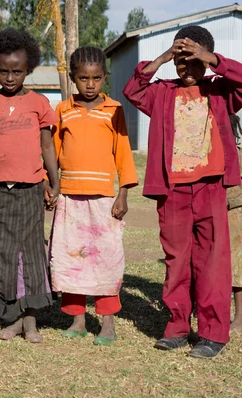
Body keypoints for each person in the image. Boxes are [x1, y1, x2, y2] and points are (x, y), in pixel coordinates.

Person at [124, 25, 242, 358]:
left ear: (205, 61)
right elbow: (133, 89)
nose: (187, 69)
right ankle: (177, 327)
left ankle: (212, 333)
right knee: (177, 261)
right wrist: (163, 57)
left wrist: (213, 59)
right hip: (173, 190)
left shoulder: (220, 90)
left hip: (211, 187)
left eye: (194, 62)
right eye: (181, 62)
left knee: (212, 262)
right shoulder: (163, 92)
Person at [0, 28, 60, 343]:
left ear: (29, 69)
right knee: (4, 253)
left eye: (17, 71)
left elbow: (48, 147)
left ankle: (31, 321)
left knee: (32, 253)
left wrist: (54, 180)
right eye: (3, 71)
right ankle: (10, 320)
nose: (9, 77)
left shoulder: (39, 103)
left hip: (31, 190)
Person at [50, 46, 138, 346]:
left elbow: (123, 154)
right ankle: (77, 320)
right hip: (69, 198)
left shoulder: (114, 110)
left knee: (106, 258)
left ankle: (108, 323)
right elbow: (54, 151)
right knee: (71, 257)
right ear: (74, 78)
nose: (90, 84)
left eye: (97, 78)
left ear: (105, 77)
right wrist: (51, 186)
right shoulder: (63, 110)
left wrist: (123, 193)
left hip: (103, 199)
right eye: (83, 78)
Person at [226, 115, 242, 333]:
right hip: (210, 213)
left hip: (236, 214)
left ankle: (239, 318)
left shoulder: (238, 154)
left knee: (237, 265)